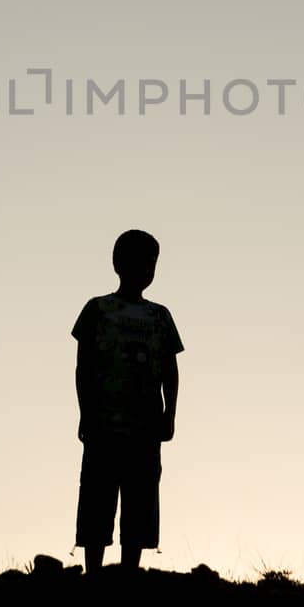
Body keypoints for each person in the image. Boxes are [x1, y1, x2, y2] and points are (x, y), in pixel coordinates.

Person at [72, 229, 183, 574]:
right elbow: (83, 366)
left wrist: (170, 415)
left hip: (145, 429)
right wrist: (85, 413)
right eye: (140, 262)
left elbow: (171, 369)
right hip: (103, 425)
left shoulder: (161, 317)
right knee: (97, 498)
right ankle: (93, 571)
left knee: (140, 501)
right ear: (118, 265)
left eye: (152, 264)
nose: (147, 270)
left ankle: (129, 571)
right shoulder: (97, 309)